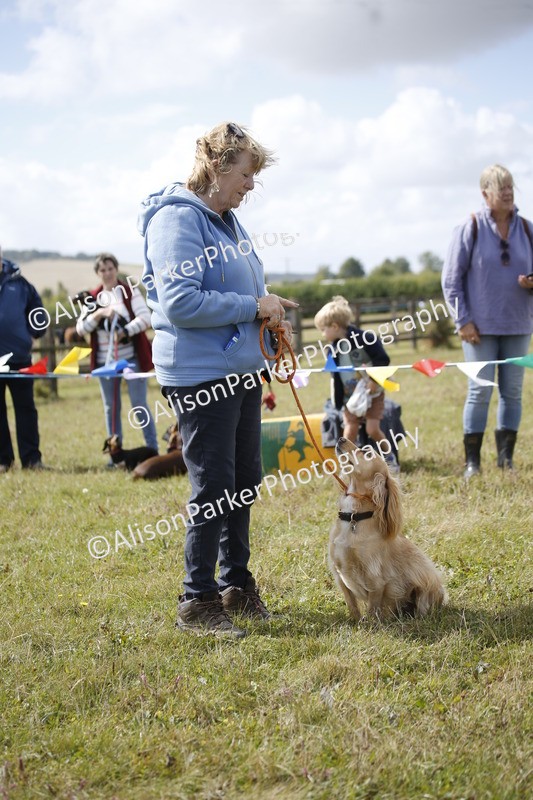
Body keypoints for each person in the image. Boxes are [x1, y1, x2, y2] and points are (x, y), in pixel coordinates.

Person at [137, 121, 297, 638]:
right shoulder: (176, 222)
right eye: (247, 173)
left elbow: (246, 291)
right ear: (218, 165)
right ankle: (197, 601)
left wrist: (269, 318)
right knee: (214, 488)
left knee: (244, 483)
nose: (251, 185)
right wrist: (254, 307)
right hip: (202, 373)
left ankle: (236, 585)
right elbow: (182, 303)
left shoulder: (228, 222)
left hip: (241, 370)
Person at [442, 164, 533, 478]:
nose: (508, 193)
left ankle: (506, 461)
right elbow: (451, 281)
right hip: (478, 330)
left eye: (510, 187)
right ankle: (473, 463)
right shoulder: (470, 228)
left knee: (513, 392)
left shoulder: (528, 229)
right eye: (501, 187)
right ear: (485, 194)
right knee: (480, 391)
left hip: (519, 326)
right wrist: (462, 320)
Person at [76, 253, 158, 459]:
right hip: (105, 363)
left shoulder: (129, 291)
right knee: (110, 407)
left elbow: (145, 317)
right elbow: (81, 329)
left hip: (131, 359)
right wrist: (99, 314)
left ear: (116, 269)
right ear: (97, 273)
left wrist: (125, 331)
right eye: (102, 270)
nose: (107, 273)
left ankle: (152, 448)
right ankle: (115, 454)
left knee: (139, 404)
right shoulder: (92, 298)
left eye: (110, 268)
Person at [314, 295, 399, 474]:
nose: (323, 334)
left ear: (335, 327)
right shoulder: (333, 349)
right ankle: (349, 466)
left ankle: (390, 458)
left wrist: (375, 381)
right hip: (349, 398)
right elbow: (334, 375)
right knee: (349, 432)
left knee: (372, 429)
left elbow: (383, 359)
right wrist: (338, 399)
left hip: (373, 394)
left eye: (324, 329)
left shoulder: (365, 339)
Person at [0, 247, 47, 471]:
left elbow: (37, 309)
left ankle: (31, 460)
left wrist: (33, 332)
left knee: (26, 409)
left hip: (19, 358)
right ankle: (2, 461)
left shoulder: (19, 283)